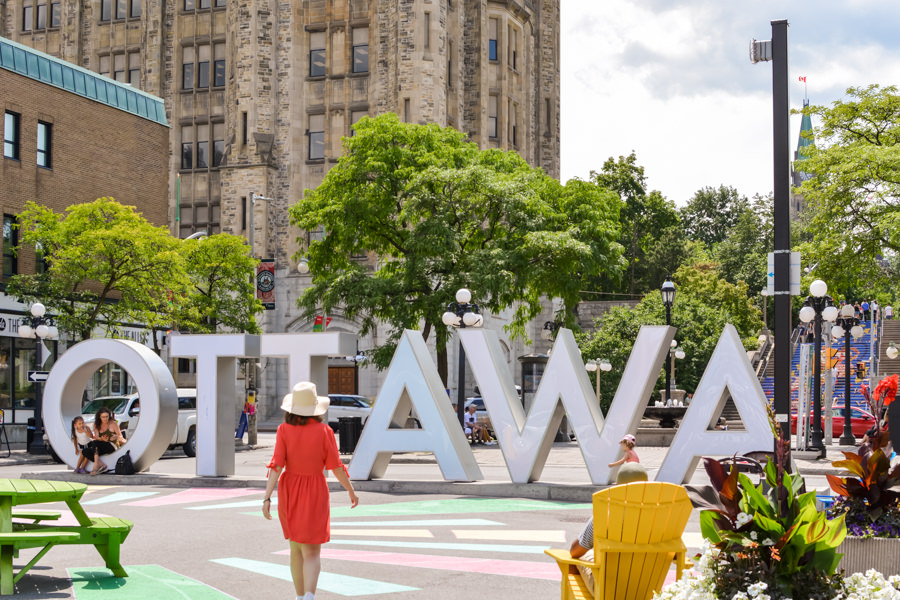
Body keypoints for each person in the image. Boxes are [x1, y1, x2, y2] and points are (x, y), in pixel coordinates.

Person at [263, 382, 358, 600]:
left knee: (295, 550)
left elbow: (276, 466)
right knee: (312, 551)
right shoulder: (325, 431)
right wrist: (351, 490)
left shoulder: (283, 430)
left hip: (290, 491)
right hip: (315, 490)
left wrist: (266, 498)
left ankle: (299, 597)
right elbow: (335, 467)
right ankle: (309, 597)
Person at [568, 463, 650, 588]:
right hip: (648, 587)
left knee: (574, 560)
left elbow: (575, 551)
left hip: (608, 589)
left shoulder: (604, 515)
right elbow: (674, 554)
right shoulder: (659, 518)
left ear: (617, 488)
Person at [85, 406, 125, 475]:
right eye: (103, 417)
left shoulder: (113, 424)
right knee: (85, 451)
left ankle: (96, 467)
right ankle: (103, 465)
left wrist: (115, 437)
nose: (105, 419)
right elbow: (96, 437)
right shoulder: (96, 425)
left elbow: (121, 436)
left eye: (107, 416)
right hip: (100, 446)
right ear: (99, 417)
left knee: (95, 443)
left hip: (112, 445)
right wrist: (102, 439)